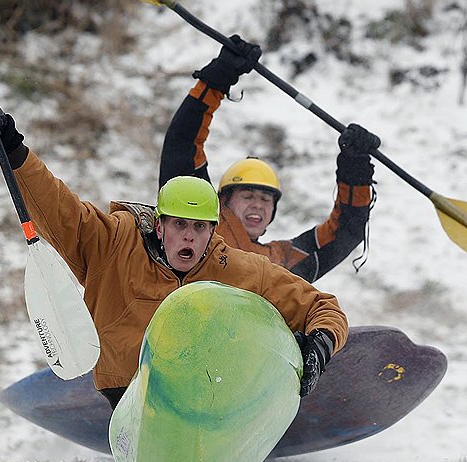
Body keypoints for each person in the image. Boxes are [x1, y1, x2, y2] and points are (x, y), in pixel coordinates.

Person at [0, 96, 348, 409]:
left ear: (213, 231)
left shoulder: (237, 267)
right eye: (179, 225)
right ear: (160, 224)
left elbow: (323, 307)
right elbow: (56, 206)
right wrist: (10, 145)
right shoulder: (112, 242)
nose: (189, 236)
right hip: (125, 391)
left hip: (204, 395)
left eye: (199, 227)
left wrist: (318, 346)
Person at [159, 35, 379, 283]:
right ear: (223, 201)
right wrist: (216, 81)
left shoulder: (283, 261)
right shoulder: (201, 227)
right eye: (248, 196)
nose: (258, 205)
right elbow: (182, 145)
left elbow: (346, 231)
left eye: (265, 199)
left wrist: (354, 170)